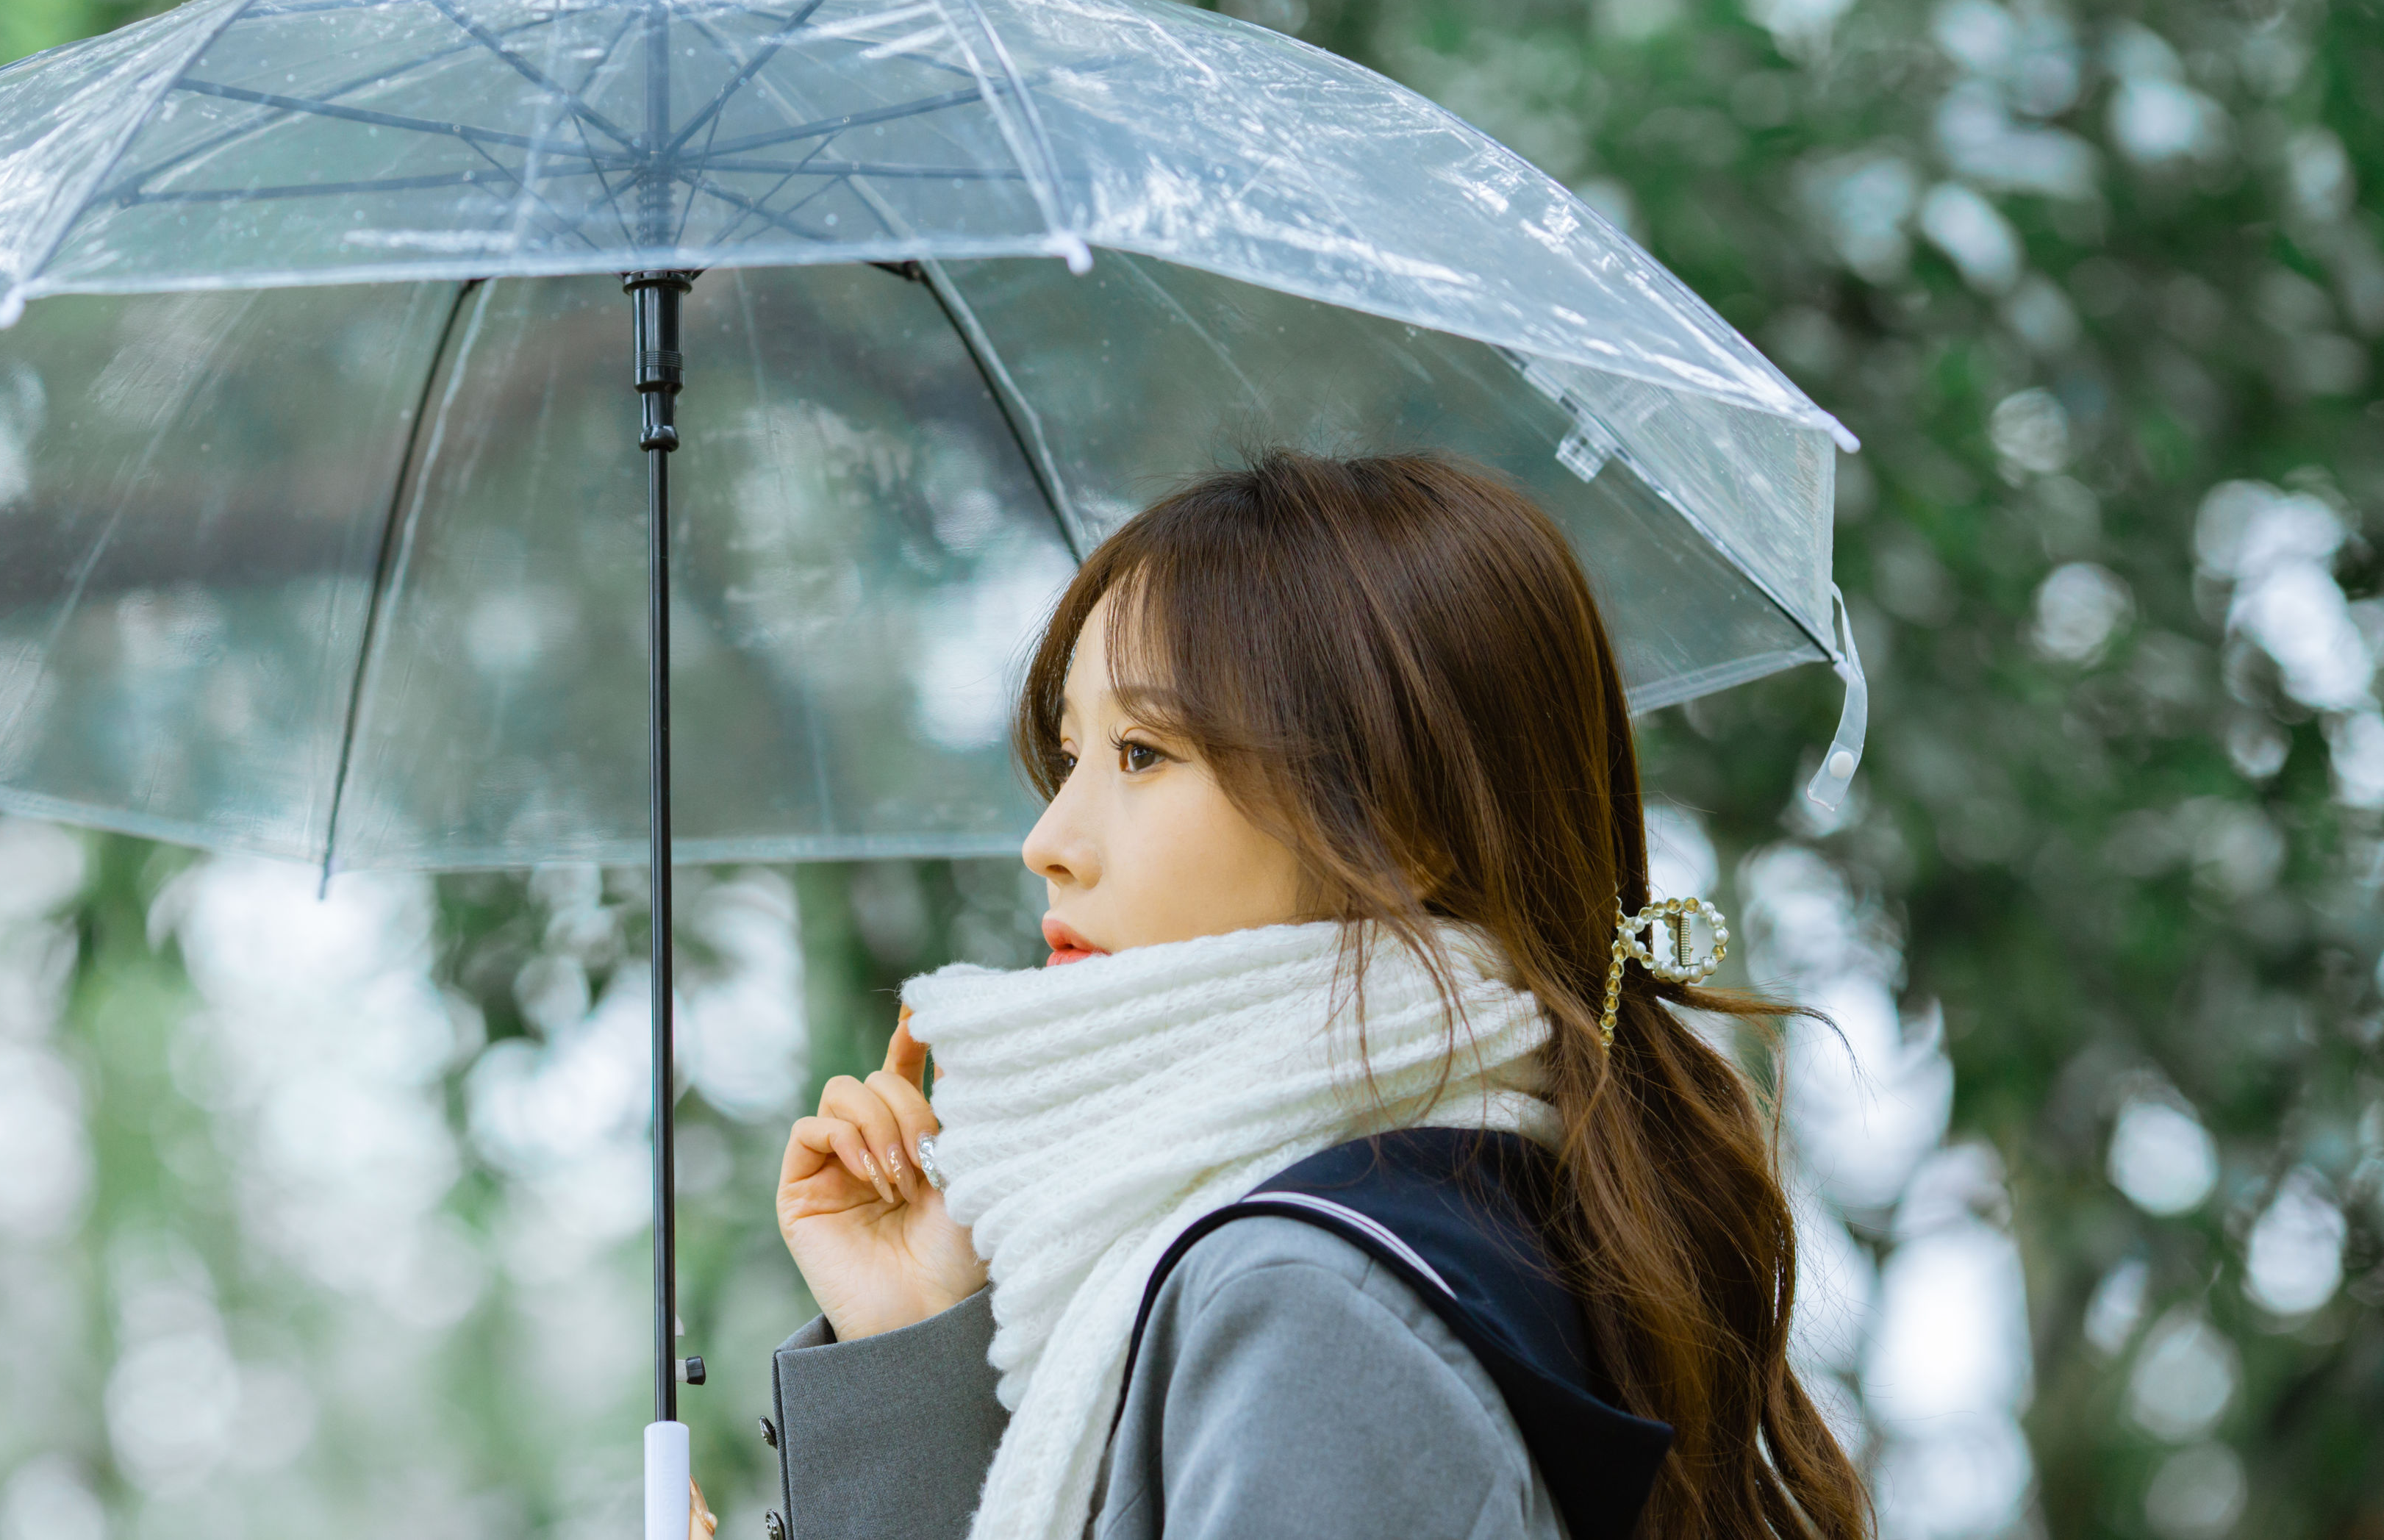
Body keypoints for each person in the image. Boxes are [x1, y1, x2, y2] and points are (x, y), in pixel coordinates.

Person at [739, 451, 1869, 1540]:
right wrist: (910, 1333)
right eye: (1070, 753)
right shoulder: (1468, 1228)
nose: (1048, 842)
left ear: (1403, 831)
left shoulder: (1304, 1303)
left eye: (1141, 753)